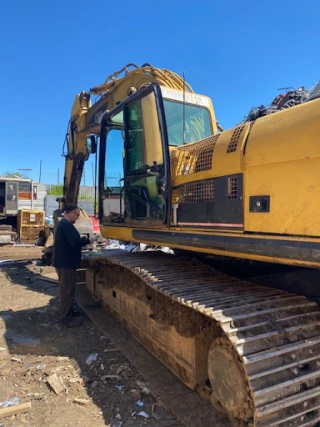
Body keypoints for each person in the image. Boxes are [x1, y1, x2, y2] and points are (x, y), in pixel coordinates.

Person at [53, 205, 94, 328]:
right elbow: (75, 242)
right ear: (70, 213)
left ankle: (68, 313)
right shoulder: (66, 224)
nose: (77, 218)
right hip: (66, 264)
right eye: (76, 215)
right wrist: (89, 240)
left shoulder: (64, 224)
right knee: (67, 292)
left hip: (65, 263)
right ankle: (66, 320)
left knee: (68, 290)